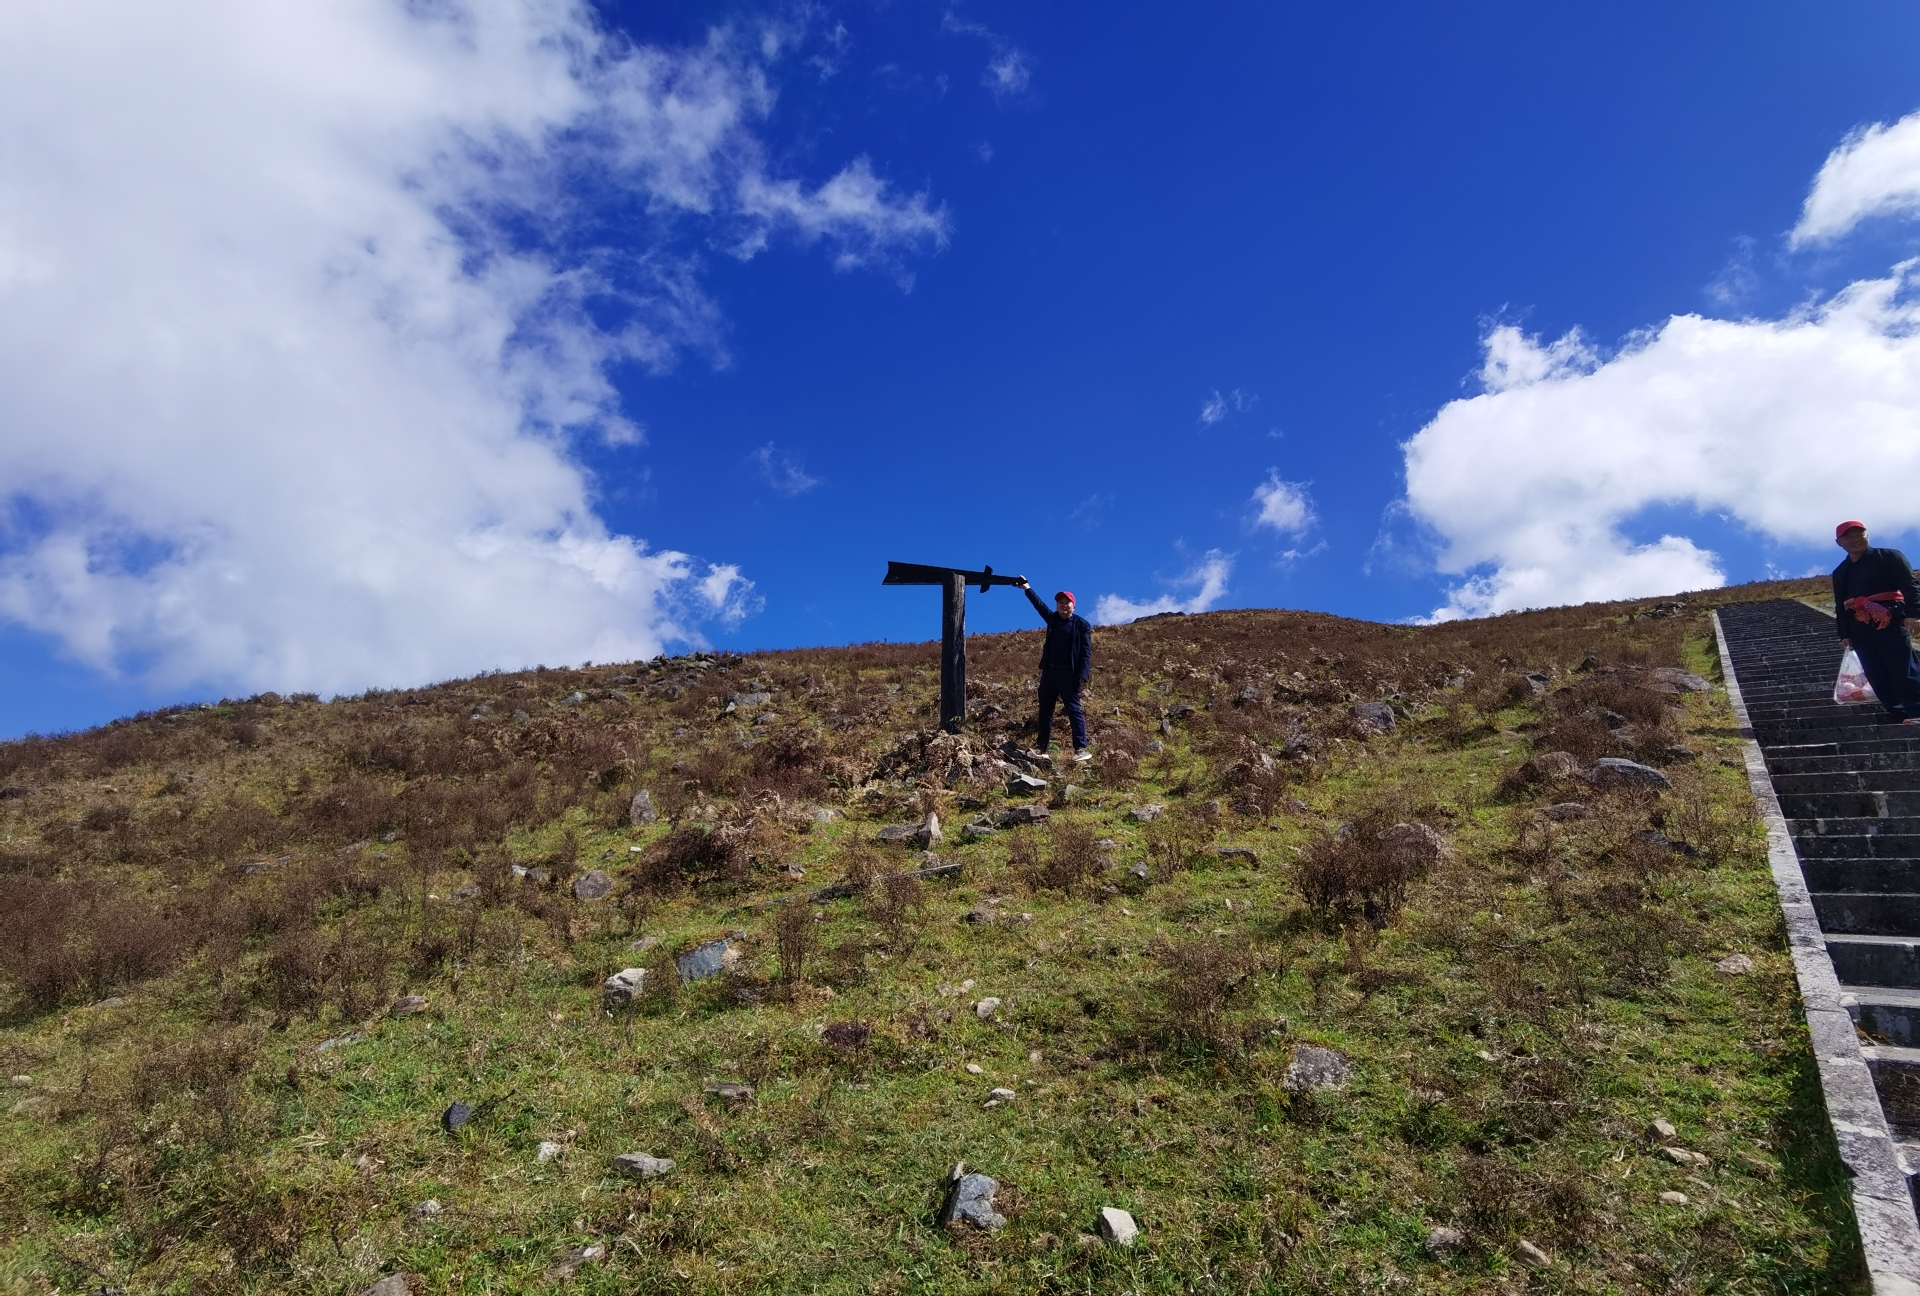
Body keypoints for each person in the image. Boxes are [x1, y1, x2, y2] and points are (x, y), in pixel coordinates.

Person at [1833, 520, 1920, 724]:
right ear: (1839, 543)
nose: (1855, 540)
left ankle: (1917, 710)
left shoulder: (1890, 556)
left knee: (1903, 668)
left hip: (1891, 620)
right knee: (1876, 674)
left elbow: (1910, 585)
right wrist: (1844, 634)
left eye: (1859, 534)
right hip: (1860, 628)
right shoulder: (1840, 572)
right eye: (1849, 537)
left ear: (1867, 535)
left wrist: (1914, 614)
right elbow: (1841, 604)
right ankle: (1901, 715)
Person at [1015, 577, 1093, 762]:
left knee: (1074, 710)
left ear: (1074, 606)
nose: (1063, 606)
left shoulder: (1082, 625)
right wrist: (1027, 588)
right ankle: (1042, 748)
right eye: (1060, 603)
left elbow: (1086, 652)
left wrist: (1082, 675)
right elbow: (1039, 605)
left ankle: (1081, 749)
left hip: (1069, 674)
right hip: (1049, 673)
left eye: (1067, 603)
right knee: (1045, 711)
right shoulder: (1053, 619)